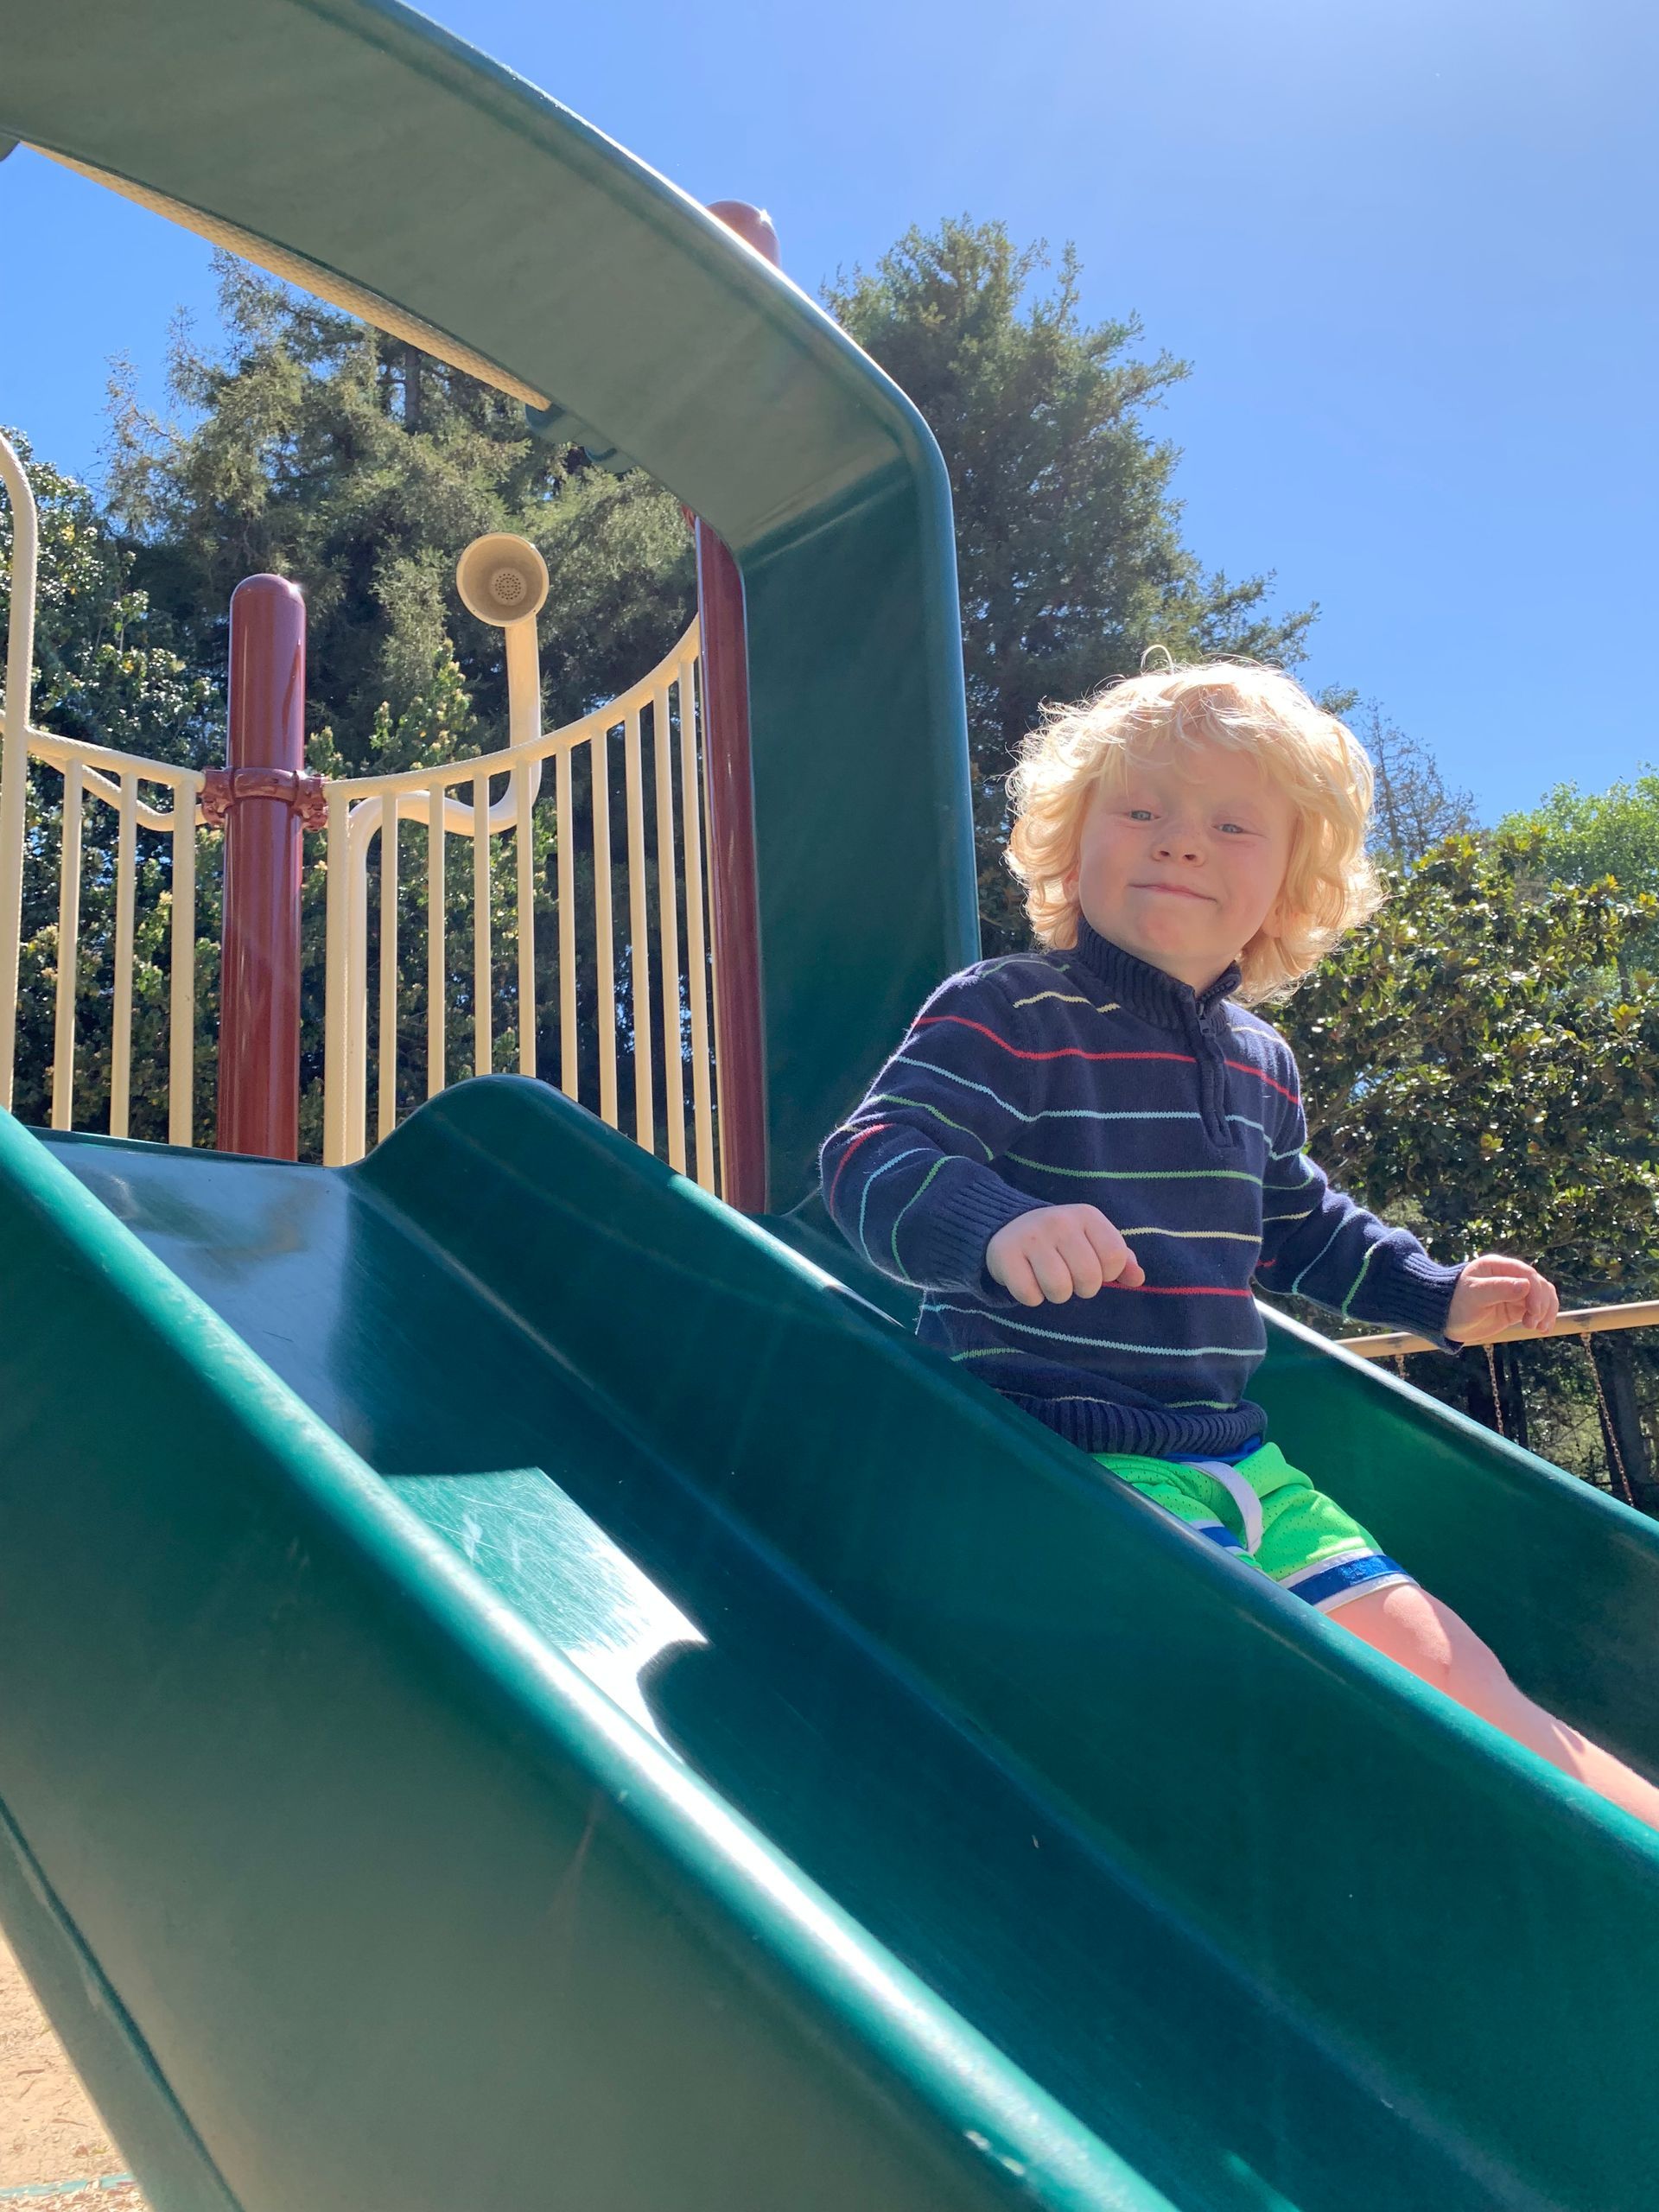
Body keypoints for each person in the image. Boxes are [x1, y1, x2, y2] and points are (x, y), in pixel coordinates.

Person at [821, 658, 1659, 1828]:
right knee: (1251, 1694)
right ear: (1072, 842)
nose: (1182, 845)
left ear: (1290, 885)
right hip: (1048, 1457)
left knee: (1455, 1670)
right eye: (1143, 811)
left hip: (1244, 1464)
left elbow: (1303, 1225)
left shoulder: (1261, 1063)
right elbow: (874, 1155)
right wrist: (997, 1223)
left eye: (1230, 826)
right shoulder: (1008, 1006)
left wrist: (1438, 1294)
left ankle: (1624, 1836)